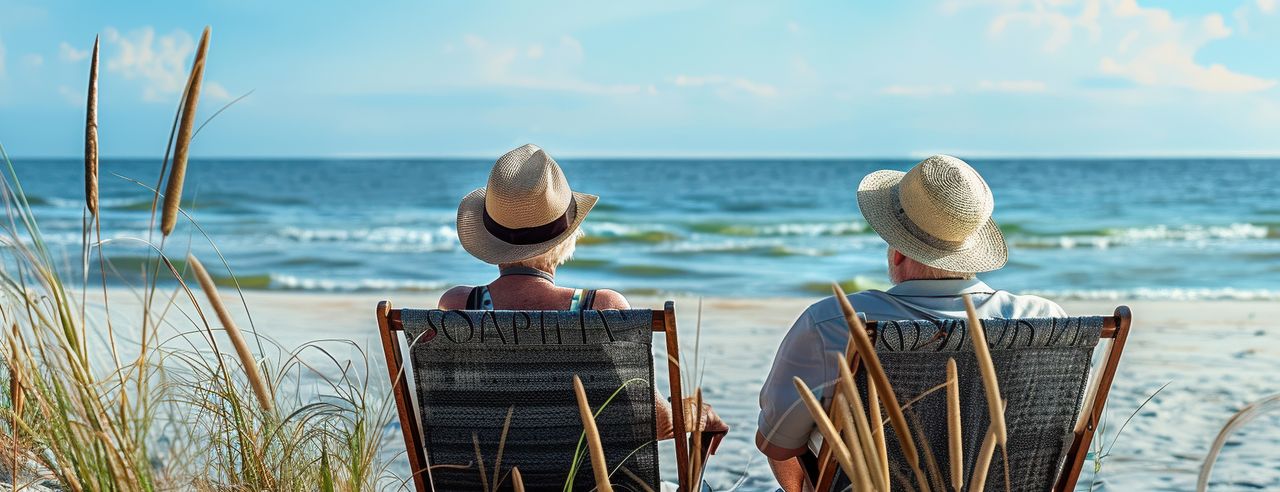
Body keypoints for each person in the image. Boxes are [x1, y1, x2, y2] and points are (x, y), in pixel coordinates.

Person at [755, 155, 1065, 491]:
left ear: (899, 252)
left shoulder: (834, 323)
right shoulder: (1045, 322)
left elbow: (778, 443)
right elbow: (1053, 438)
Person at [440, 143, 728, 442]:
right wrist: (700, 413)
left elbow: (450, 416)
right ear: (567, 236)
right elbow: (656, 423)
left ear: (489, 237)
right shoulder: (602, 307)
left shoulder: (459, 305)